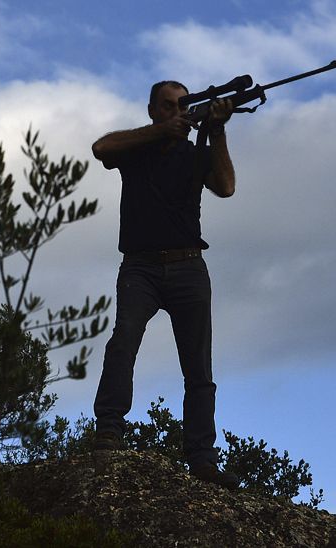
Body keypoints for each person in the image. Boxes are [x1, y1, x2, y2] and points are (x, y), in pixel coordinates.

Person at [90, 80, 240, 489]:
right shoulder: (137, 149)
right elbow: (101, 148)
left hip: (189, 266)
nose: (177, 112)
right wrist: (160, 132)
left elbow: (226, 186)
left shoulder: (195, 153)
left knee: (198, 366)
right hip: (139, 267)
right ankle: (109, 429)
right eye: (169, 106)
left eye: (182, 106)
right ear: (154, 110)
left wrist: (219, 128)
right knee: (124, 341)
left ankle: (202, 458)